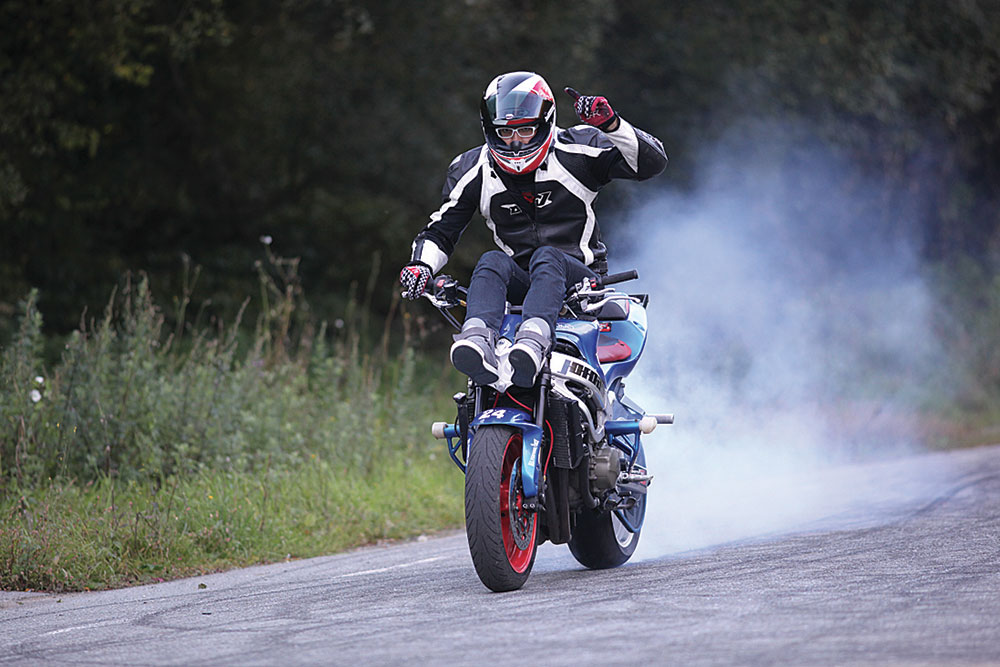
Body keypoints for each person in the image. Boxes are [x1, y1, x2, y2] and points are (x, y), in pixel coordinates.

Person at [400, 71, 667, 388]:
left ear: (545, 123)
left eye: (525, 131)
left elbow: (651, 164)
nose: (514, 142)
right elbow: (440, 232)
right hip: (522, 288)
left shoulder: (578, 146)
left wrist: (611, 125)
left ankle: (533, 342)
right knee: (491, 260)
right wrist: (420, 267)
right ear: (489, 129)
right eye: (505, 132)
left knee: (547, 256)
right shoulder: (470, 168)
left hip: (581, 284)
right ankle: (477, 341)